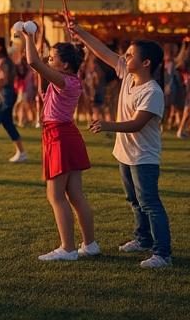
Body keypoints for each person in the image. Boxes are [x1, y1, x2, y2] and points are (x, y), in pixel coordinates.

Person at [75, 27, 171, 268]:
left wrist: (107, 125)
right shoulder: (129, 76)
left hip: (143, 157)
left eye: (130, 55)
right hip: (125, 154)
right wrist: (79, 32)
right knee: (134, 200)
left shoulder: (152, 92)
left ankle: (162, 253)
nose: (124, 57)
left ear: (146, 63)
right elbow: (102, 52)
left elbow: (137, 124)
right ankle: (143, 240)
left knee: (149, 203)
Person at [17, 27, 97, 262]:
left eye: (52, 58)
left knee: (55, 196)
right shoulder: (69, 80)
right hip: (66, 135)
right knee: (75, 195)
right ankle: (90, 245)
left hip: (59, 137)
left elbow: (33, 62)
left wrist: (29, 37)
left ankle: (68, 249)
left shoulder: (64, 81)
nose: (48, 60)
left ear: (65, 65)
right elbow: (40, 68)